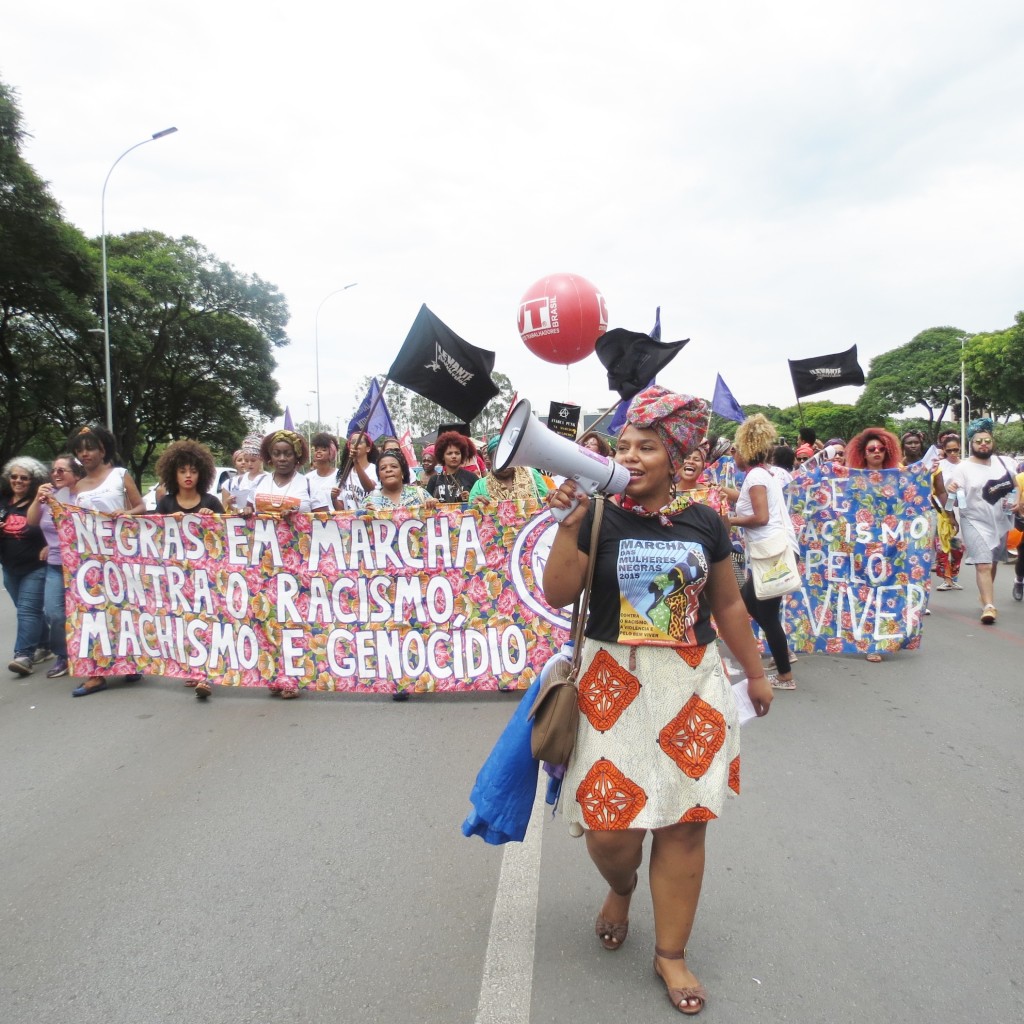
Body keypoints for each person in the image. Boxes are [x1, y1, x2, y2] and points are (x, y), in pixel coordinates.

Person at [543, 385, 772, 1017]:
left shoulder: (704, 520)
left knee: (682, 824)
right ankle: (621, 885)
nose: (633, 456)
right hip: (612, 683)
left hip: (690, 684)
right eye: (624, 446)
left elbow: (727, 605)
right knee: (611, 828)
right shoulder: (594, 515)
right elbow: (559, 591)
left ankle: (671, 952)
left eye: (648, 446)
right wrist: (570, 518)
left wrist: (755, 673)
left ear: (675, 456)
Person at [68, 424, 146, 695]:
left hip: (122, 557)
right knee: (91, 614)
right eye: (79, 450)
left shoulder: (120, 475)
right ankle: (95, 673)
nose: (85, 454)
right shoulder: (77, 486)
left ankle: (129, 662)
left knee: (124, 610)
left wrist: (126, 515)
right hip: (90, 561)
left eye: (90, 448)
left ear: (103, 449)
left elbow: (141, 506)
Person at [727, 414, 798, 689]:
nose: (733, 455)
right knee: (757, 607)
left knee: (759, 609)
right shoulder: (760, 474)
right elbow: (748, 500)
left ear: (746, 451)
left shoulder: (756, 476)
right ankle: (784, 654)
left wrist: (728, 520)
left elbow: (761, 517)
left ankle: (785, 674)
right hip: (776, 551)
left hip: (773, 554)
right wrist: (722, 492)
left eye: (735, 450)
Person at [152, 440, 225, 699]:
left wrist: (212, 520)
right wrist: (165, 523)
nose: (188, 476)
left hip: (207, 575)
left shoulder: (211, 502)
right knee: (183, 623)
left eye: (193, 471)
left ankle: (205, 673)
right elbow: (151, 537)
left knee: (206, 621)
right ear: (173, 473)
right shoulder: (166, 505)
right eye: (183, 471)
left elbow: (229, 537)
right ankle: (192, 665)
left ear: (201, 474)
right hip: (176, 577)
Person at [943, 418, 1022, 625]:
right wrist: (953, 493)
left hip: (1000, 520)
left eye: (987, 440)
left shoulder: (1004, 462)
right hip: (974, 521)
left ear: (992, 442)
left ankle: (985, 595)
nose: (983, 444)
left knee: (992, 562)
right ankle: (989, 606)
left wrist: (1017, 501)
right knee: (984, 564)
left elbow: (1015, 484)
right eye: (979, 441)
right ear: (972, 444)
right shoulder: (963, 468)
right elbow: (953, 501)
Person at [25, 454, 84, 679]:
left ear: (76, 475)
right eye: (54, 470)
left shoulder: (83, 498)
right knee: (54, 614)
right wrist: (37, 498)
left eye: (62, 470)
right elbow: (31, 522)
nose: (56, 474)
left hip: (81, 566)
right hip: (55, 566)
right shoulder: (49, 497)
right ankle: (63, 655)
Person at [1, 457, 50, 676]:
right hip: (9, 566)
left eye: (24, 478)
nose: (18, 481)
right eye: (14, 476)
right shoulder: (3, 502)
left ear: (33, 481)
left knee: (28, 610)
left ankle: (23, 655)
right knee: (24, 609)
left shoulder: (40, 502)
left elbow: (52, 526)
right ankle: (45, 644)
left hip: (35, 566)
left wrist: (51, 546)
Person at [468, 437, 549, 505]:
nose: (504, 465)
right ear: (490, 460)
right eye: (499, 460)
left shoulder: (531, 474)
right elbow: (470, 516)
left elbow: (547, 503)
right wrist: (474, 505)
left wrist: (550, 497)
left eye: (508, 459)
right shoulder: (479, 486)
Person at [360, 449, 431, 510]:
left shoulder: (420, 494)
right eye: (383, 468)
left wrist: (434, 505)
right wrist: (366, 516)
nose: (388, 470)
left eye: (394, 466)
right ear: (379, 475)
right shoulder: (369, 501)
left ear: (402, 471)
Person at [425, 431, 478, 503]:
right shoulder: (434, 480)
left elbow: (479, 503)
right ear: (442, 456)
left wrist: (471, 498)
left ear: (462, 455)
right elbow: (426, 504)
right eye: (449, 453)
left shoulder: (472, 478)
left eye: (457, 453)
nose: (454, 456)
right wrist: (431, 502)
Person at [335, 431, 379, 510]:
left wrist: (356, 462)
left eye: (360, 442)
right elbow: (340, 508)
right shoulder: (345, 473)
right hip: (350, 521)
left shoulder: (375, 469)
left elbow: (369, 487)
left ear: (368, 449)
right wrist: (333, 499)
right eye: (352, 442)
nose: (355, 445)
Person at [225, 434, 267, 512]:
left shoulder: (268, 479)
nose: (249, 464)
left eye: (253, 460)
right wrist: (230, 504)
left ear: (261, 459)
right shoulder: (240, 480)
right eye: (246, 460)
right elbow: (239, 511)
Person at [306, 432, 340, 511]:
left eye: (324, 450)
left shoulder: (339, 476)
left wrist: (334, 498)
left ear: (331, 453)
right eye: (316, 449)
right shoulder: (307, 478)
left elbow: (342, 508)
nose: (319, 452)